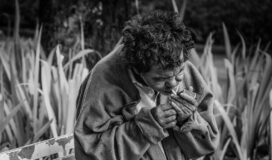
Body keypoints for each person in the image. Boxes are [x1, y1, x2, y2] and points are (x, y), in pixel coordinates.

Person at [74, 11, 219, 160]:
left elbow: (208, 145)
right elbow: (89, 152)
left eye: (179, 72)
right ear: (138, 69)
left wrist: (188, 121)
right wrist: (146, 126)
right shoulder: (103, 79)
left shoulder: (179, 61)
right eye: (160, 78)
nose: (174, 83)